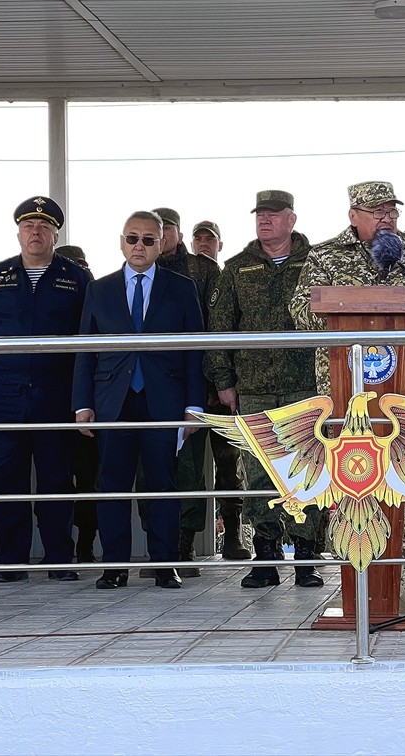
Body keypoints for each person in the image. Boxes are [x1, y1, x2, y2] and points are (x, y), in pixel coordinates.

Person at [290, 180, 405, 612]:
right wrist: (350, 308)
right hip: (346, 392)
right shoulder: (325, 257)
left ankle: (395, 582)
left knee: (402, 485)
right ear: (353, 215)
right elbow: (300, 313)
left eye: (391, 210)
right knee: (355, 483)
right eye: (376, 210)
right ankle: (358, 592)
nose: (387, 217)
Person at [73, 211, 206, 590]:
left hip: (162, 399)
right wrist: (82, 404)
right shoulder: (100, 289)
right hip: (113, 401)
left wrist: (194, 406)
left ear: (161, 243)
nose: (139, 246)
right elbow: (85, 349)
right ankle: (114, 566)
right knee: (112, 484)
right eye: (132, 238)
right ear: (121, 241)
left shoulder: (181, 288)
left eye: (149, 239)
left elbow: (195, 350)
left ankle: (165, 565)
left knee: (163, 485)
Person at [0, 196, 89, 582]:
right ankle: (11, 562)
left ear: (55, 233)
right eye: (29, 226)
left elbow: (90, 339)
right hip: (4, 395)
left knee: (56, 480)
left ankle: (59, 560)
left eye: (44, 226)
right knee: (5, 481)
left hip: (56, 395)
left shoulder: (77, 278)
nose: (36, 232)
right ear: (18, 232)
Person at [205, 190, 323, 588]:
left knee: (307, 473)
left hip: (306, 386)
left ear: (292, 219)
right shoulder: (237, 268)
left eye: (274, 215)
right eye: (260, 215)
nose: (265, 221)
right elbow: (219, 329)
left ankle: (306, 556)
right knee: (259, 475)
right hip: (253, 389)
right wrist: (223, 381)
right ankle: (266, 557)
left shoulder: (317, 263)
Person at [154, 207, 248, 570]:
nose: (162, 237)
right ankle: (183, 544)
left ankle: (235, 534)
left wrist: (223, 378)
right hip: (177, 387)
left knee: (229, 463)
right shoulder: (147, 271)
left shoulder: (205, 270)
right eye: (157, 230)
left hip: (215, 385)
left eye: (168, 230)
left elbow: (221, 324)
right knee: (184, 467)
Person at [56, 244, 100, 565]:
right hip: (54, 402)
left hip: (88, 404)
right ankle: (61, 544)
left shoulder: (99, 299)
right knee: (56, 478)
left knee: (89, 479)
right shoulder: (50, 301)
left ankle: (85, 542)